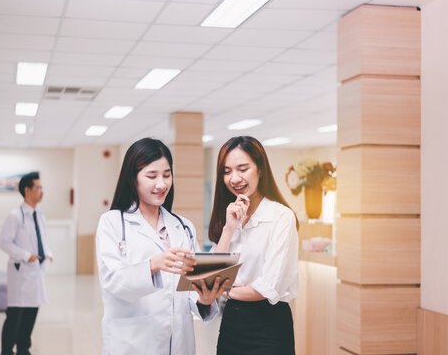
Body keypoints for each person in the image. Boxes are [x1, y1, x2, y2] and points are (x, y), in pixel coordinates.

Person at [96, 138, 226, 355]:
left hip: (179, 343)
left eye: (166, 175)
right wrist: (153, 265)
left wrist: (204, 299)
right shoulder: (113, 223)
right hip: (133, 343)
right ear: (133, 178)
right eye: (151, 176)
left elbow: (189, 287)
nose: (161, 184)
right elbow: (112, 282)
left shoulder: (183, 226)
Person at [209, 136, 299, 355]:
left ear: (260, 169)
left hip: (269, 326)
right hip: (232, 323)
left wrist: (222, 290)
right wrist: (229, 228)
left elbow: (268, 287)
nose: (234, 178)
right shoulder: (230, 214)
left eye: (243, 169)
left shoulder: (281, 216)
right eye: (227, 171)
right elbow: (212, 275)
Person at [0, 172, 53, 355]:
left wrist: (48, 253)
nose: (42, 191)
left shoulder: (39, 216)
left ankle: (23, 349)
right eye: (38, 188)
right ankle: (6, 350)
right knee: (15, 315)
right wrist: (25, 255)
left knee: (31, 312)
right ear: (27, 190)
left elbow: (43, 240)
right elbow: (4, 242)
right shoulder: (14, 216)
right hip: (20, 272)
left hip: (35, 272)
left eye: (42, 188)